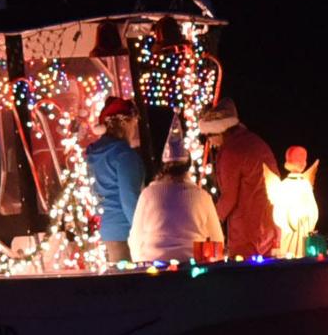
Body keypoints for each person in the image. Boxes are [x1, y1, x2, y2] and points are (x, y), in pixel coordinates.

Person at [128, 115, 224, 263]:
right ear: (188, 168)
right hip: (192, 266)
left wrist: (140, 263)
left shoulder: (148, 194)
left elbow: (135, 237)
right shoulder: (202, 196)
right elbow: (217, 239)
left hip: (153, 265)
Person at [199, 96, 278, 258]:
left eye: (209, 136)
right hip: (269, 227)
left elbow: (229, 198)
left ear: (221, 130)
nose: (210, 142)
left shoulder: (231, 152)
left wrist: (207, 223)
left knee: (243, 276)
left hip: (246, 232)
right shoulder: (254, 142)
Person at [85, 96, 145, 263]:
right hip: (124, 230)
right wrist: (143, 231)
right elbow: (129, 199)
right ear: (125, 123)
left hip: (104, 228)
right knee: (131, 283)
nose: (134, 130)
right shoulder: (125, 156)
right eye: (134, 124)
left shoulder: (92, 155)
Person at [263, 145, 320, 258]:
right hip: (290, 230)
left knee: (303, 252)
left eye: (304, 160)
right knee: (290, 254)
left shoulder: (305, 184)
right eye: (301, 159)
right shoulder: (285, 186)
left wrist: (309, 218)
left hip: (304, 229)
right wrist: (291, 221)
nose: (304, 163)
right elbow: (280, 210)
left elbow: (312, 207)